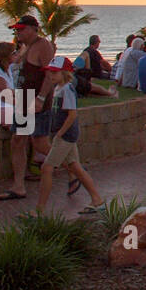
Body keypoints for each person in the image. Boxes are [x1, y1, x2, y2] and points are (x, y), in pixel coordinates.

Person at [36, 59, 104, 215]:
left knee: (47, 168)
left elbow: (72, 115)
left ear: (64, 73)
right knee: (75, 166)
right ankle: (97, 199)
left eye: (54, 72)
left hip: (65, 135)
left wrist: (59, 134)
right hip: (63, 134)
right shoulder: (58, 88)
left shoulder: (67, 90)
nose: (51, 75)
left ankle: (39, 209)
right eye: (50, 72)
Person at [4, 14, 56, 198]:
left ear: (34, 29)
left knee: (40, 143)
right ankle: (19, 185)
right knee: (17, 140)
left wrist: (41, 98)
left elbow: (50, 75)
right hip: (23, 102)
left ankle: (74, 169)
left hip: (35, 103)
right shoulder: (25, 48)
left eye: (21, 29)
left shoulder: (43, 46)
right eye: (16, 30)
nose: (18, 32)